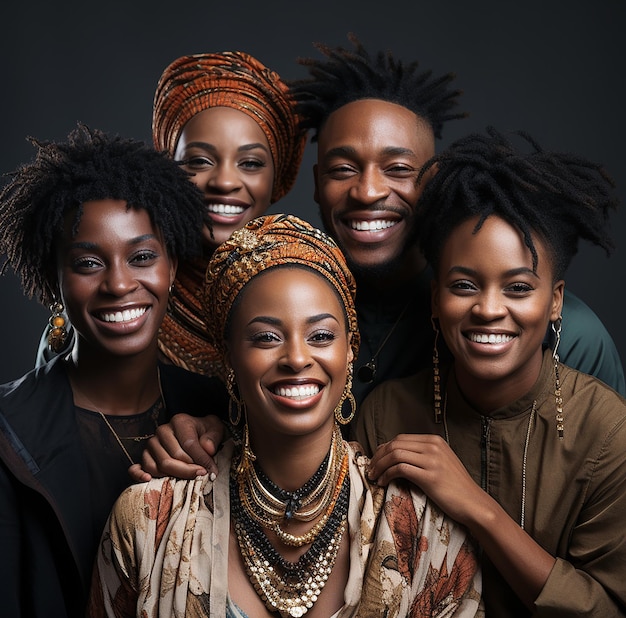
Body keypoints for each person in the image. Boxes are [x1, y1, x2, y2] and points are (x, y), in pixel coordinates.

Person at [88, 214, 483, 618]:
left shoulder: (421, 527)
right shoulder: (148, 521)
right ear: (228, 358)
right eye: (266, 338)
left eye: (321, 336)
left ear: (350, 351)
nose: (296, 358)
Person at [357, 128, 626, 616]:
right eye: (464, 285)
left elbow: (608, 608)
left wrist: (476, 507)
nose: (488, 309)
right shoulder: (384, 415)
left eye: (519, 288)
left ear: (555, 302)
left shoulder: (608, 432)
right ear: (436, 299)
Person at [288, 35, 625, 403]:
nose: (368, 191)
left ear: (432, 180)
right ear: (317, 184)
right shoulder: (284, 311)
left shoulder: (563, 332)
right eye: (343, 169)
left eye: (398, 169)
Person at [0, 124, 227, 617]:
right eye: (88, 263)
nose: (120, 283)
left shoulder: (221, 411)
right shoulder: (7, 432)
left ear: (170, 265)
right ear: (53, 279)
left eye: (142, 256)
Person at [36, 50, 306, 380]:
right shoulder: (127, 290)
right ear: (168, 168)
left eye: (250, 163)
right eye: (199, 161)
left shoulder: (303, 284)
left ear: (276, 178)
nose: (224, 181)